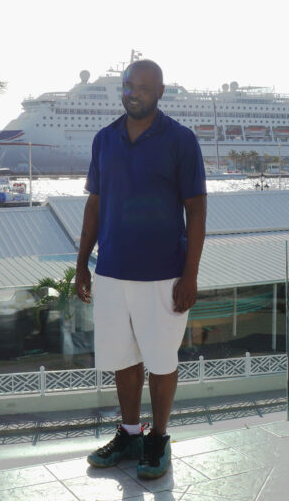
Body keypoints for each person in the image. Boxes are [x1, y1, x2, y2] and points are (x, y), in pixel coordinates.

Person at [75, 59, 207, 480]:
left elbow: (197, 211)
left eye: (144, 88)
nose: (134, 93)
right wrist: (82, 264)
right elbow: (94, 204)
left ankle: (159, 439)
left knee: (161, 361)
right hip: (111, 271)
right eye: (129, 85)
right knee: (123, 359)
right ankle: (130, 433)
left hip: (164, 274)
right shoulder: (104, 139)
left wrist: (190, 275)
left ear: (161, 92)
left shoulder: (181, 140)